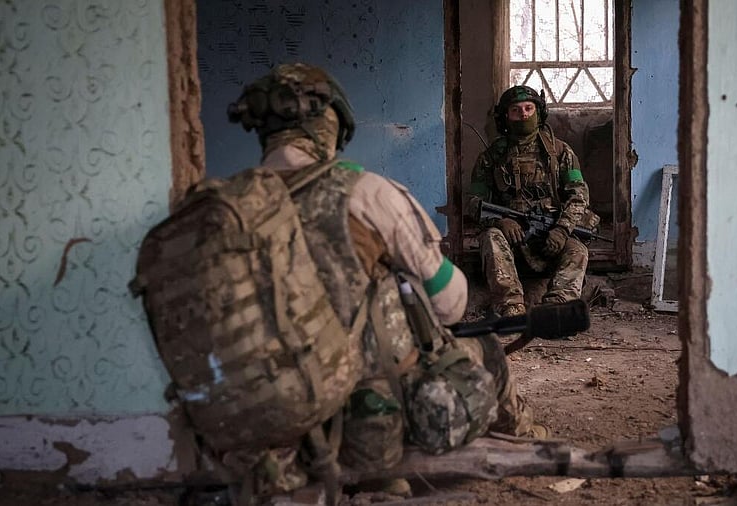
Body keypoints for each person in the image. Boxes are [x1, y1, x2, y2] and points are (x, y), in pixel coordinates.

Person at [224, 63, 540, 503]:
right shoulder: (366, 193)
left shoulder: (225, 207)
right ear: (333, 124)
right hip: (359, 410)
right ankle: (521, 437)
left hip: (254, 411)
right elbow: (450, 304)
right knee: (482, 343)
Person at [467, 85, 592, 318]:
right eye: (516, 110)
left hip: (549, 235)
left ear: (539, 112)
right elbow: (474, 202)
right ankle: (511, 307)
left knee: (578, 249)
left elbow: (579, 196)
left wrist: (561, 230)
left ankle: (556, 309)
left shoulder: (560, 152)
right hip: (512, 241)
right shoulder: (491, 157)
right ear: (506, 116)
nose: (523, 114)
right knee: (490, 237)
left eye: (528, 108)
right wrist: (499, 221)